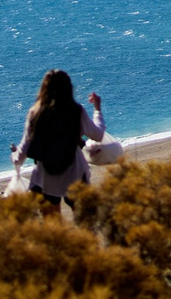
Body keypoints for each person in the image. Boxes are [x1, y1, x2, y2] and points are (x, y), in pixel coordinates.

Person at [12, 69, 105, 213]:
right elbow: (98, 135)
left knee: (53, 229)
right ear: (69, 88)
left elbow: (24, 148)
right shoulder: (76, 111)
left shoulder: (35, 113)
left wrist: (15, 157)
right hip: (75, 172)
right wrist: (97, 110)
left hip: (45, 177)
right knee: (85, 222)